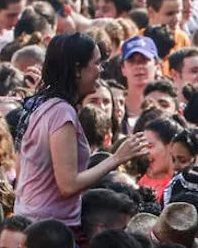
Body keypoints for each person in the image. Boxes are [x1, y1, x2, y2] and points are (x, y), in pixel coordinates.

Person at [14, 33, 151, 229]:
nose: (101, 70)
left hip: (31, 218)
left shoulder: (40, 104)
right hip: (50, 228)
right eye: (96, 63)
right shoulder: (61, 112)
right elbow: (68, 185)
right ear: (78, 69)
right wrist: (117, 158)